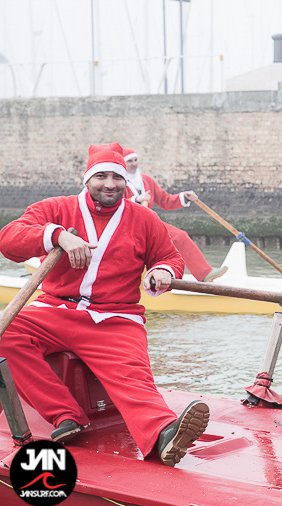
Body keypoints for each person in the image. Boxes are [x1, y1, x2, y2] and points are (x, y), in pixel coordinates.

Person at [0, 143, 209, 467]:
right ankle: (65, 414)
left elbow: (169, 257)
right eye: (101, 176)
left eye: (117, 176)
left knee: (131, 375)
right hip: (56, 309)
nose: (110, 183)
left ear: (126, 181)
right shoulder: (56, 208)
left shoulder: (144, 218)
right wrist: (57, 236)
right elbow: (9, 238)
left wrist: (161, 272)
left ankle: (164, 435)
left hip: (116, 316)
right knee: (4, 333)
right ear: (87, 179)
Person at [122, 147, 227, 283]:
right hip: (128, 224)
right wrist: (136, 200)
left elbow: (165, 200)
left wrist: (184, 196)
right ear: (123, 164)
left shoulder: (146, 180)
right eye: (130, 161)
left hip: (149, 222)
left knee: (180, 236)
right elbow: (116, 203)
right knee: (174, 238)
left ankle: (205, 273)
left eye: (136, 160)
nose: (134, 163)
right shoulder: (120, 182)